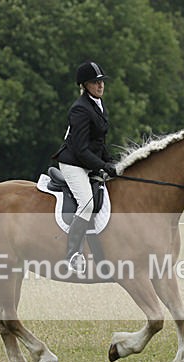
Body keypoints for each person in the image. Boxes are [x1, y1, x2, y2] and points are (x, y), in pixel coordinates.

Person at [53, 61, 118, 273]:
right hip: (73, 163)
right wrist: (102, 166)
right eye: (94, 82)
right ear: (84, 85)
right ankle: (72, 254)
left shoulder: (98, 104)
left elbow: (98, 143)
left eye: (101, 82)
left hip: (87, 161)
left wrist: (111, 163)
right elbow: (80, 149)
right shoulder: (80, 109)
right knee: (87, 203)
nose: (100, 86)